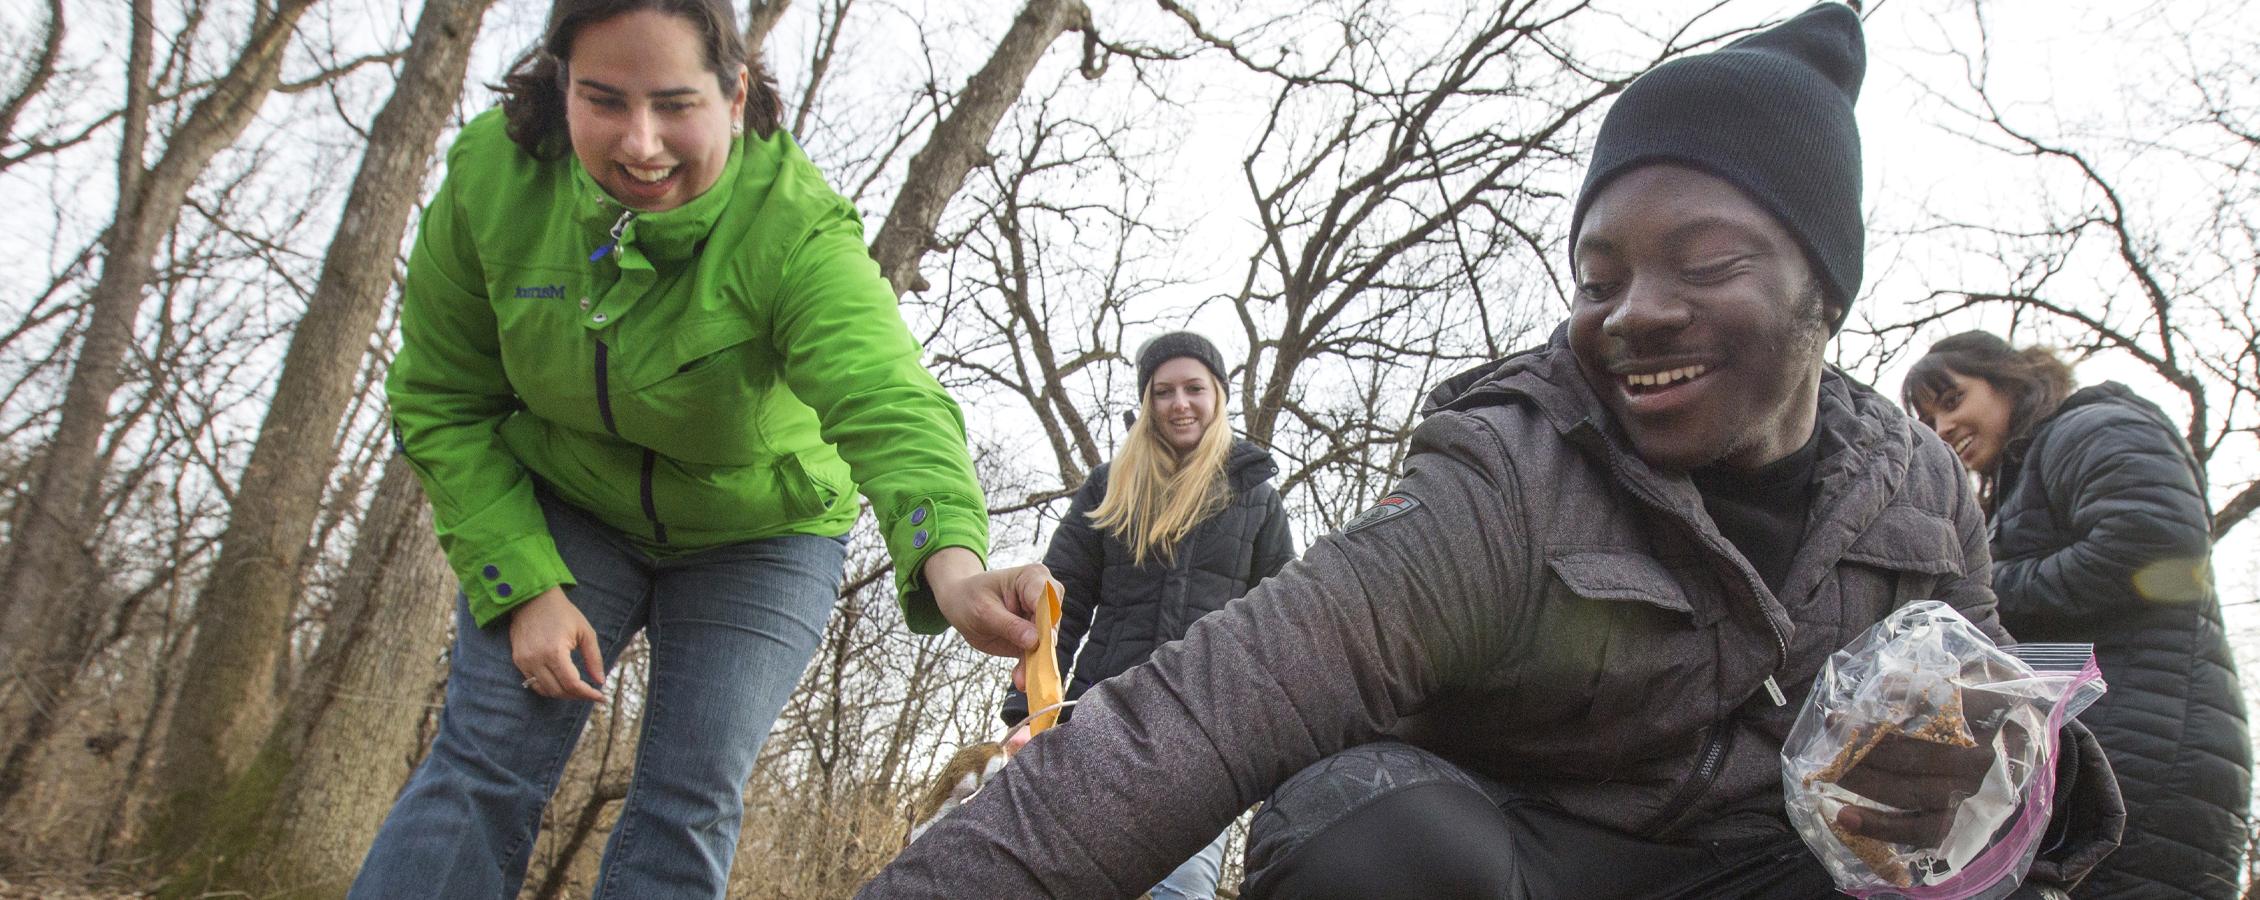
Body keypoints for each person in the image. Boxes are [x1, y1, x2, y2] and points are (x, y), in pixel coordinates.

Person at [863, 5, 2124, 898]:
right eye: (1600, 272)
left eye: (1707, 263)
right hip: (1520, 854)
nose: (1635, 313)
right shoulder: (1513, 478)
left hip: (1755, 865)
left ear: (1824, 290)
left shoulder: (1920, 491)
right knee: (1368, 840)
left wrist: (2033, 786)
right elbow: (1204, 714)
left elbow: (1993, 713)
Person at [350, 0, 1047, 895]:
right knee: (485, 760)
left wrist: (952, 566)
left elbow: (889, 399)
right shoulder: (495, 180)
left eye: (675, 104)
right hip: (566, 499)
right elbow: (439, 397)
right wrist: (523, 585)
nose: (641, 144)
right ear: (562, 84)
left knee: (690, 794)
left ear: (734, 94)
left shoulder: (793, 228)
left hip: (763, 532)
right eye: (604, 100)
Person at [1904, 332, 2250, 899]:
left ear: (2007, 380)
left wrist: (1984, 595)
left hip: (2148, 749)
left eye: (1952, 400)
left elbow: (2155, 548)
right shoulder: (2021, 482)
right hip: (2108, 747)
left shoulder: (2089, 425)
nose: (1941, 429)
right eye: (1927, 417)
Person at [997, 331, 1297, 900]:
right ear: (1147, 402)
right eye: (1163, 391)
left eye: (1193, 388)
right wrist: (1025, 715)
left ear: (1218, 397)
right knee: (1068, 880)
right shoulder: (1109, 488)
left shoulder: (1256, 498)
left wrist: (1277, 738)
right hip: (1097, 717)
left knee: (1179, 890)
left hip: (1206, 734)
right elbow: (1059, 605)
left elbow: (1282, 625)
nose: (1179, 403)